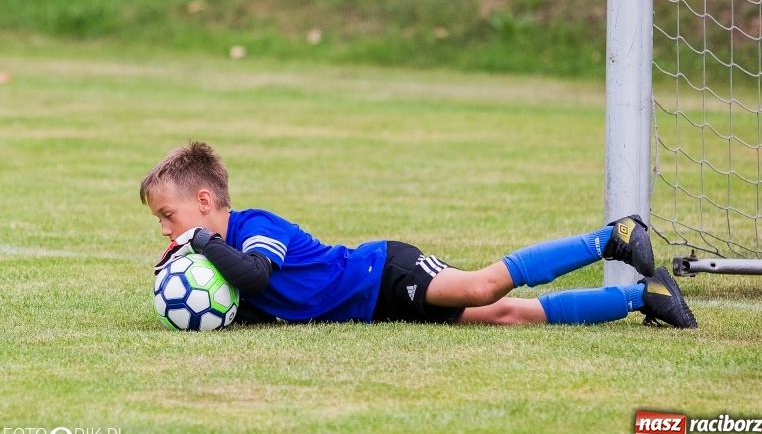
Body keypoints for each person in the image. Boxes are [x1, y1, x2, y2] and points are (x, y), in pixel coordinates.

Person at [140, 141, 697, 329]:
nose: (167, 229)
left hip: (385, 273)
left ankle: (613, 236)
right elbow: (247, 302)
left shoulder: (256, 228)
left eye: (169, 215)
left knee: (483, 289)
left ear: (205, 202)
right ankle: (641, 296)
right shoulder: (214, 256)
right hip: (372, 309)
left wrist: (202, 245)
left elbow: (258, 276)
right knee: (509, 316)